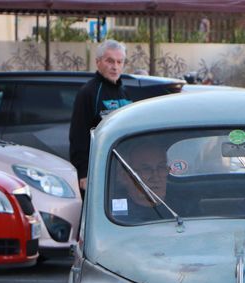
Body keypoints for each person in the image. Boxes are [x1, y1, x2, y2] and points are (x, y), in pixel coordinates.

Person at [69, 39, 132, 194]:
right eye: (110, 61)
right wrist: (83, 173)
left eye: (119, 61)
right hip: (99, 171)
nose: (115, 66)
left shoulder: (125, 92)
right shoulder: (88, 93)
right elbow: (78, 135)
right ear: (98, 62)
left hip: (125, 172)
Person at [111, 140, 188, 222]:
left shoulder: (184, 205)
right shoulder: (115, 216)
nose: (156, 177)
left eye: (161, 167)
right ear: (125, 176)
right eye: (146, 169)